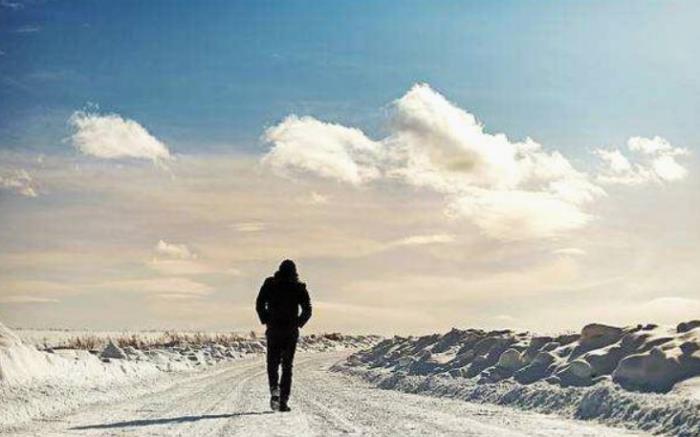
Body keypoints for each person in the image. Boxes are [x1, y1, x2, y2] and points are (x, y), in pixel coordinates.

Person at [255, 259, 312, 412]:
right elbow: (308, 309)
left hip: (274, 329)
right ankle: (283, 401)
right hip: (290, 331)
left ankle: (274, 388)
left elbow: (259, 303)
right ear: (295, 272)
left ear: (279, 270)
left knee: (272, 363)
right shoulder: (299, 287)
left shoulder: (270, 284)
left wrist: (265, 319)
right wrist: (298, 323)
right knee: (287, 366)